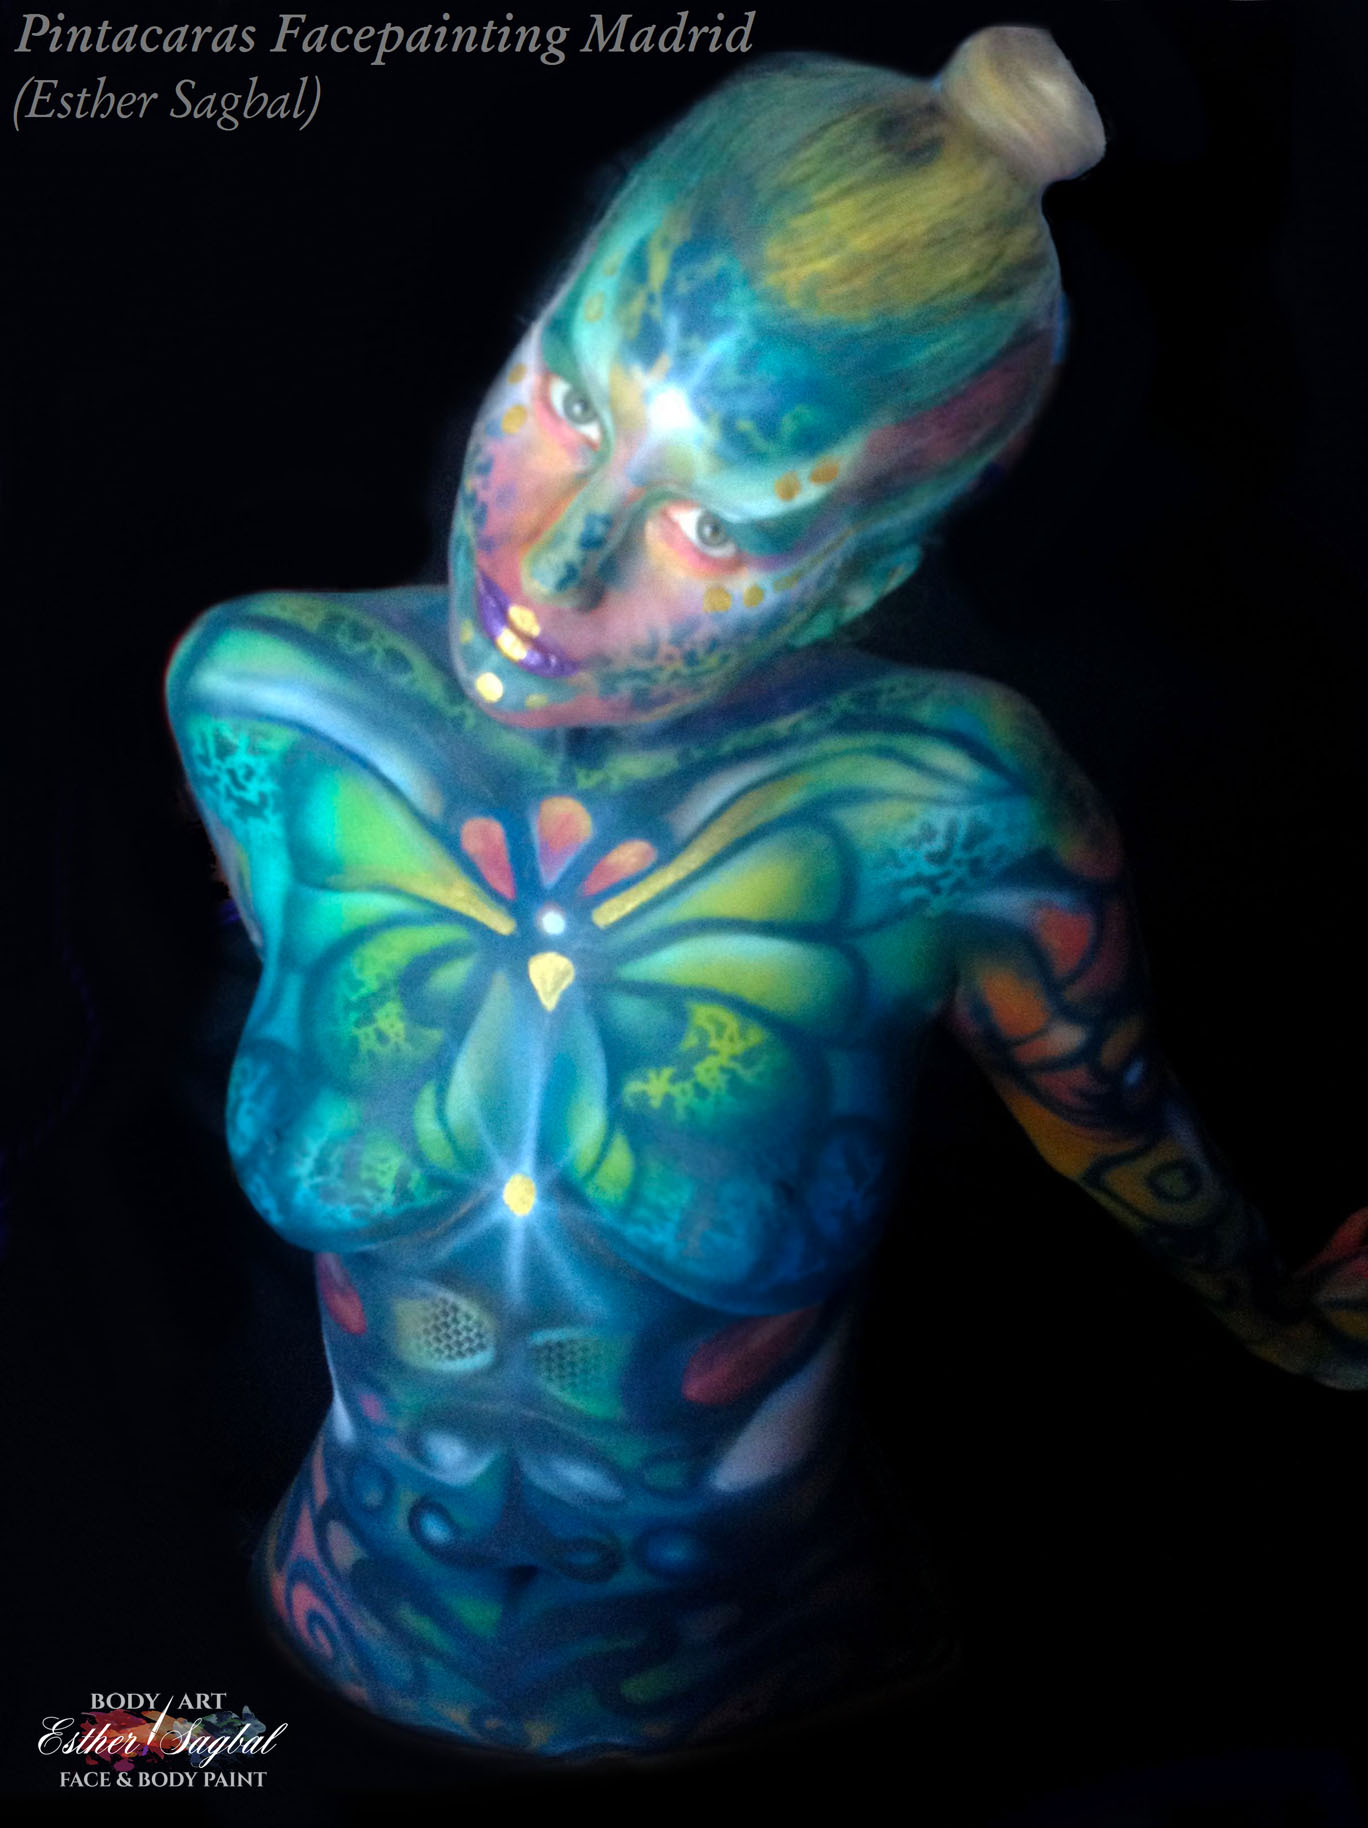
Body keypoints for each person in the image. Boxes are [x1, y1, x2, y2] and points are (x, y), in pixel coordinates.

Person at [164, 25, 1367, 1759]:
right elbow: (284, 955)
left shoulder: (954, 814)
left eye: (716, 527)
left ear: (862, 576)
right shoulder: (264, 707)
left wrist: (1282, 1322)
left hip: (786, 1711)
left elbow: (1108, 1118)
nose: (553, 559)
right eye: (573, 403)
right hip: (301, 1657)